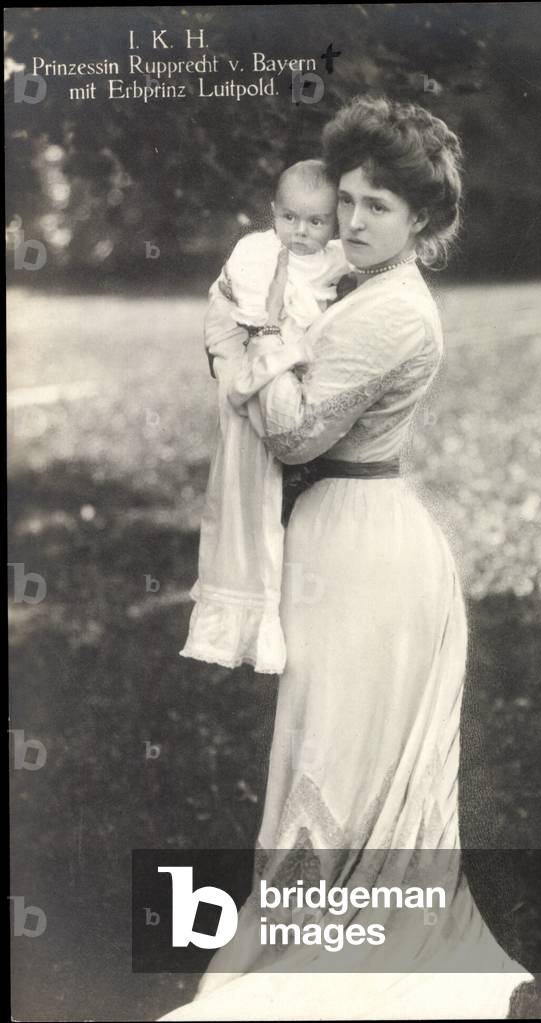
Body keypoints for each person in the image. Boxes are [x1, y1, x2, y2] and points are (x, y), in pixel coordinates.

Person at [160, 95, 533, 1020]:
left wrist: (244, 341)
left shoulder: (392, 312)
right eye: (351, 201)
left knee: (336, 761)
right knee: (324, 754)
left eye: (379, 209)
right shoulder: (350, 283)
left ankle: (320, 974)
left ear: (424, 223)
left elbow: (292, 434)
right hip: (342, 533)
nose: (354, 222)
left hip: (367, 553)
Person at [180, 160, 348, 674]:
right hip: (247, 348)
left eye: (316, 222)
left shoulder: (334, 260)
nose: (301, 232)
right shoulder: (257, 253)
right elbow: (248, 323)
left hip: (288, 364)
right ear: (273, 214)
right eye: (290, 218)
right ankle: (244, 603)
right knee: (246, 476)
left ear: (334, 224)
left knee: (287, 472)